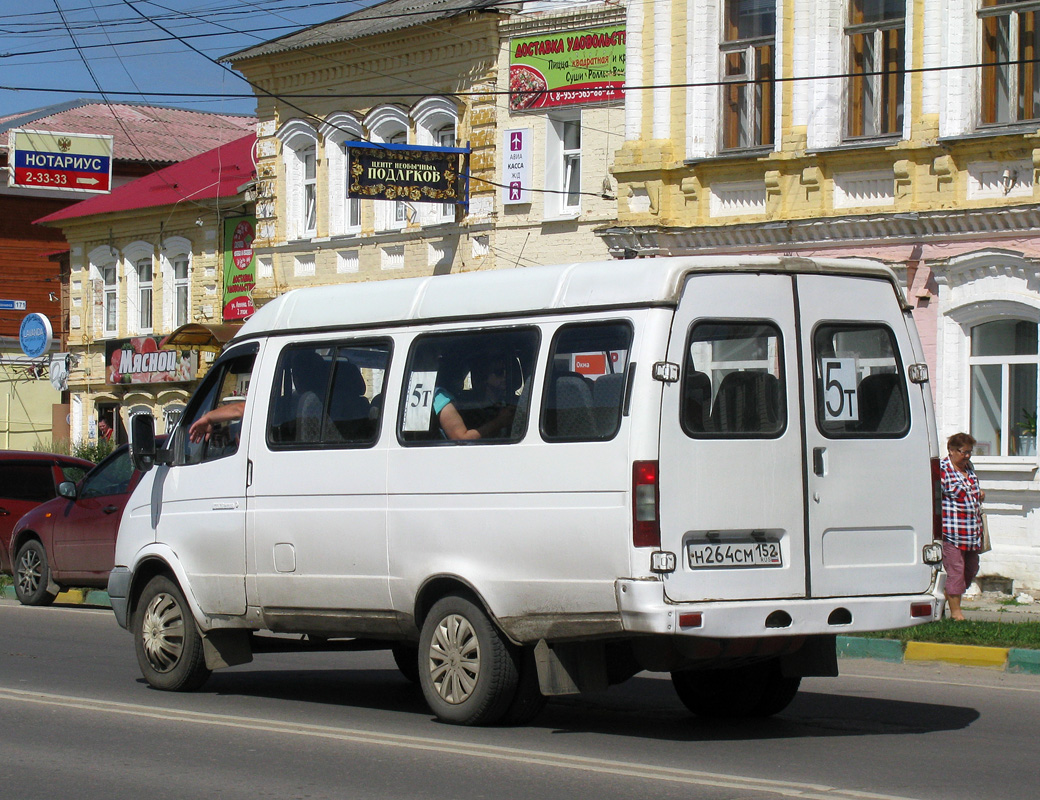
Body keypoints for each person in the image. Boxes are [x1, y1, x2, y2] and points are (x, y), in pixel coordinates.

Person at [940, 432, 986, 620]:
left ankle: (947, 597)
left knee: (971, 569)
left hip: (973, 531)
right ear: (951, 450)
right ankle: (956, 613)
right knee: (956, 571)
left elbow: (972, 491)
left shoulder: (970, 468)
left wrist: (980, 493)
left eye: (969, 452)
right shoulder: (942, 468)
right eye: (963, 452)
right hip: (952, 532)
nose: (967, 456)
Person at [434, 356, 515, 441]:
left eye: (508, 372)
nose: (505, 376)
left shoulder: (512, 402)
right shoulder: (471, 411)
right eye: (499, 372)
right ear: (483, 378)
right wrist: (499, 422)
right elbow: (461, 439)